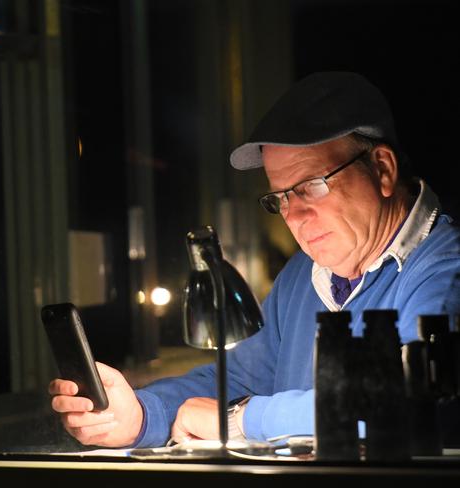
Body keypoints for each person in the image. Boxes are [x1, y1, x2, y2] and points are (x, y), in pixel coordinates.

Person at [49, 71, 460, 448]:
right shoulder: (304, 275)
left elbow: (400, 399)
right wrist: (141, 415)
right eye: (280, 197)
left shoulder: (444, 270)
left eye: (312, 186)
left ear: (383, 170)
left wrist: (243, 420)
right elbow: (237, 378)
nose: (294, 216)